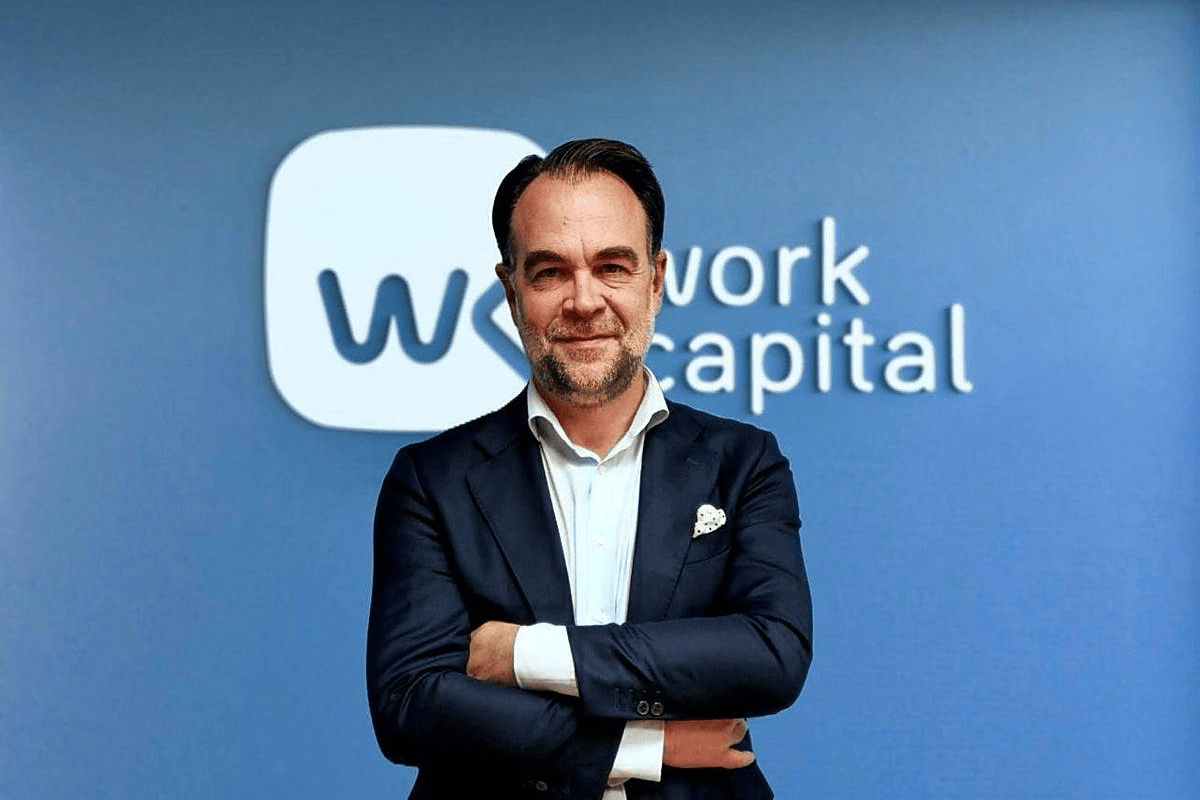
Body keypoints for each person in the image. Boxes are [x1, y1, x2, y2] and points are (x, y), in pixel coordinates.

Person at [366, 138, 812, 800]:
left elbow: (771, 655)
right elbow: (410, 703)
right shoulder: (432, 480)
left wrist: (524, 655)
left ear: (655, 281)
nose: (584, 300)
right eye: (550, 272)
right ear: (511, 290)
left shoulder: (744, 462)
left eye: (612, 267)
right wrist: (641, 747)